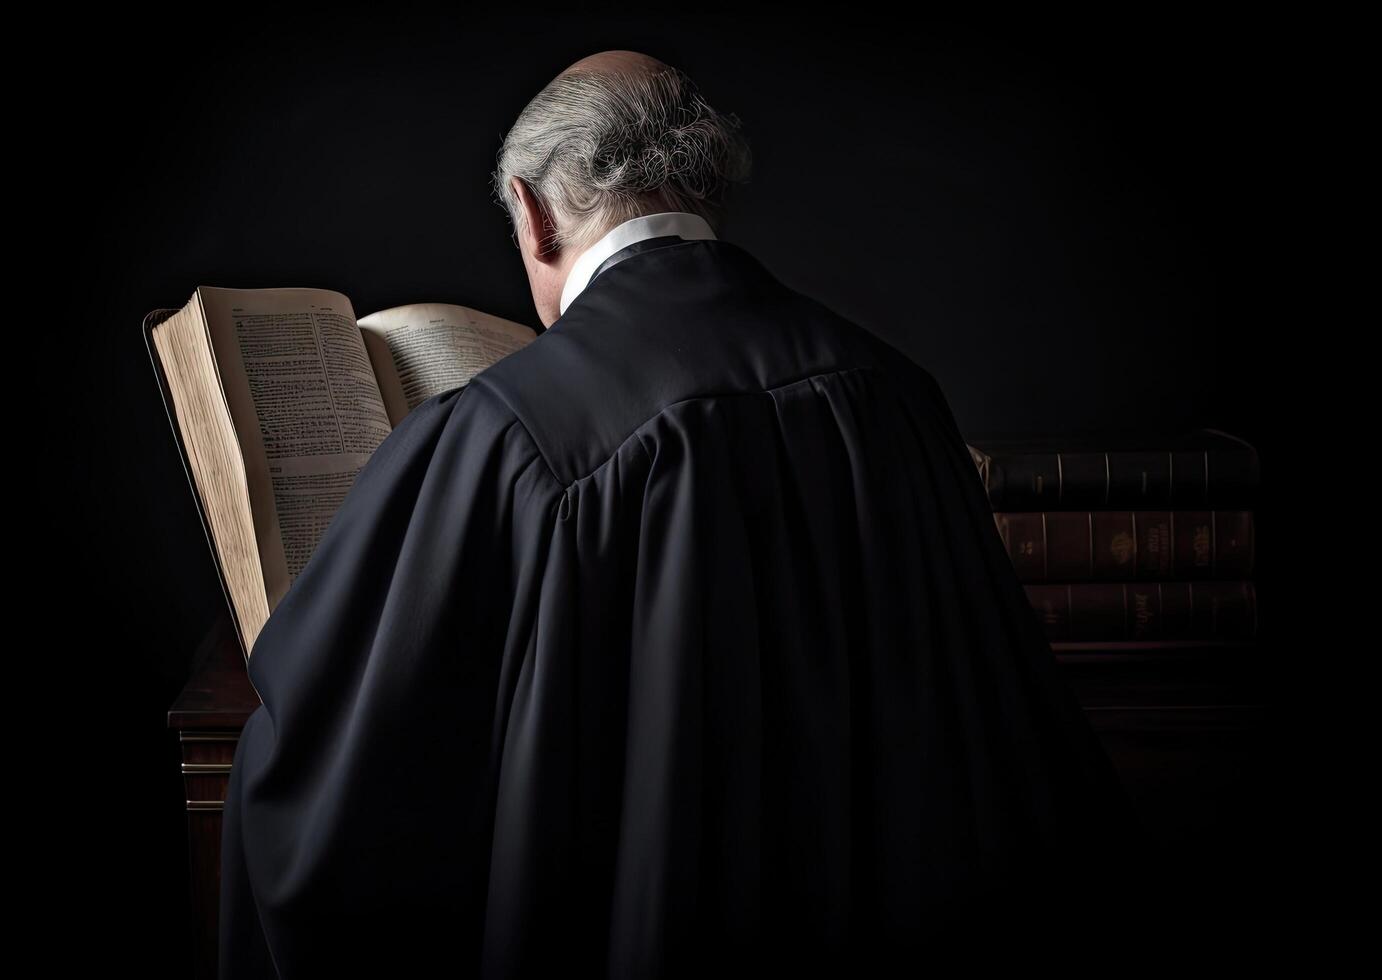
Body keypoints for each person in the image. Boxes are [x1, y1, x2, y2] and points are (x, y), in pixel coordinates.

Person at [219, 50, 1151, 979]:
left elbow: (357, 787)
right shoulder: (895, 391)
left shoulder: (509, 437)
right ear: (705, 192)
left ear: (533, 213)